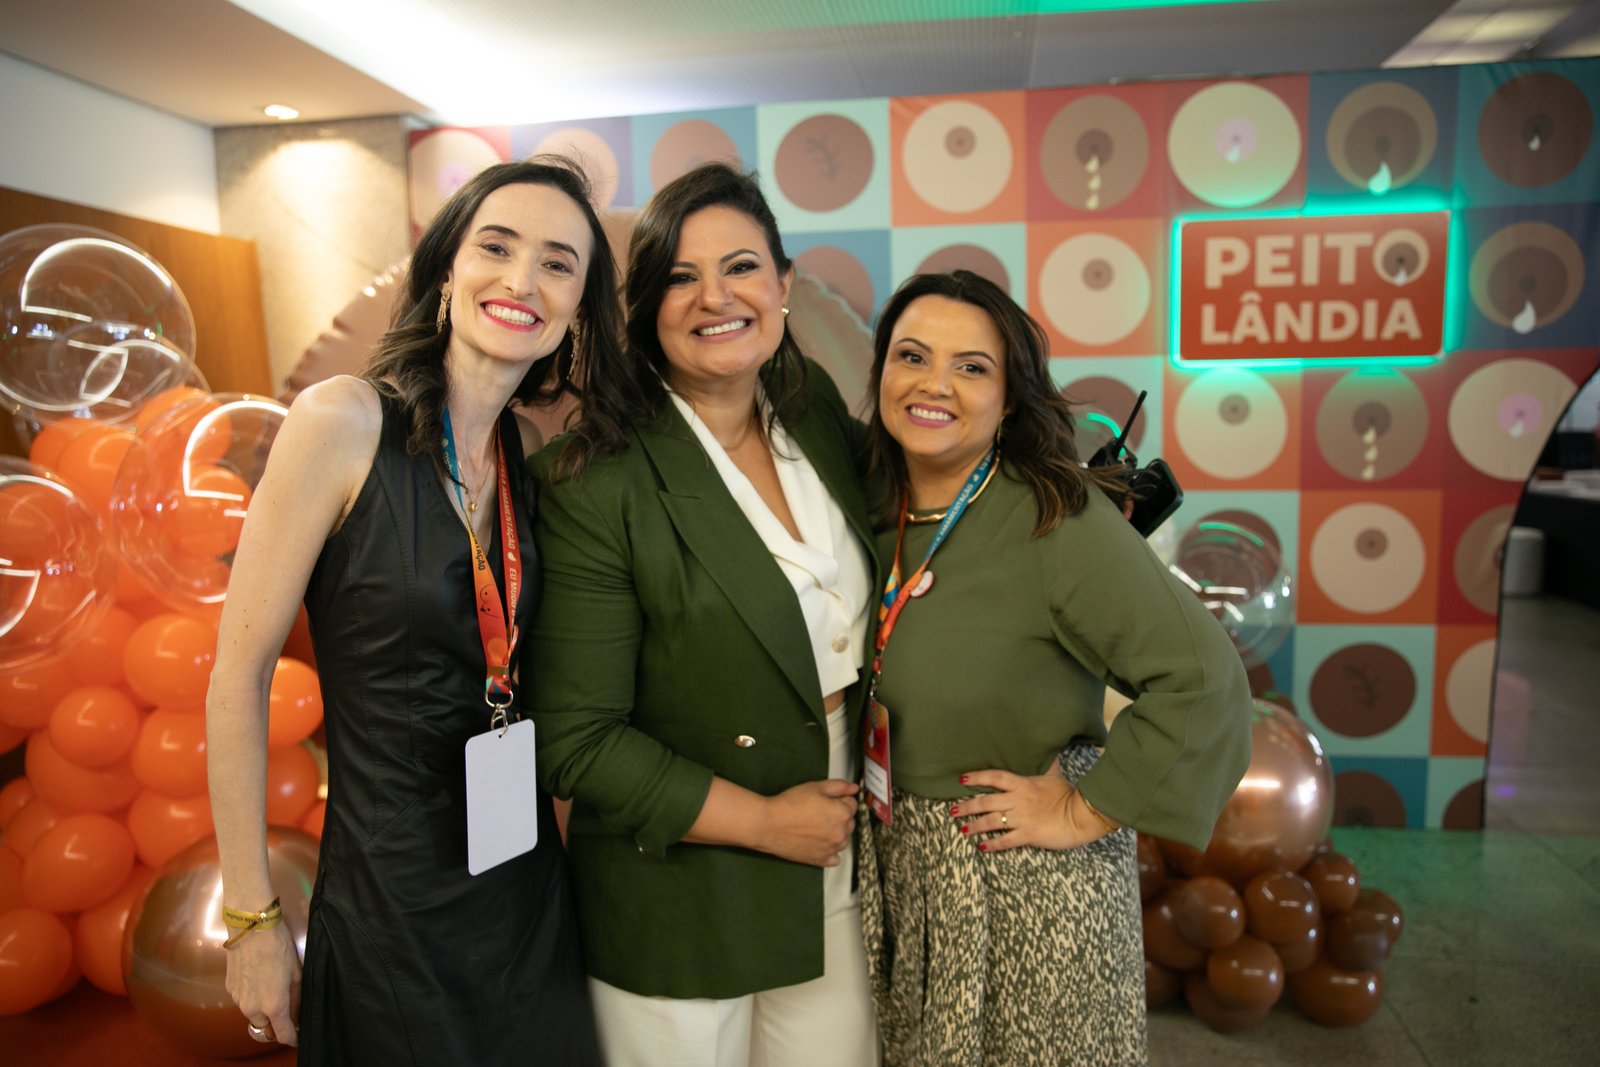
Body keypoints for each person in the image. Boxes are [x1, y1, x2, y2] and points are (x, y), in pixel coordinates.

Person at [206, 158, 620, 1065]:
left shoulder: (522, 451)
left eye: (557, 263)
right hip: (390, 905)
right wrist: (251, 918)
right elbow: (238, 675)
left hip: (523, 889)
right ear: (445, 269)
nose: (522, 279)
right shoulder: (341, 421)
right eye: (497, 247)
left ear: (578, 310)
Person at [526, 162, 881, 1066]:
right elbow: (578, 741)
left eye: (741, 267)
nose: (715, 297)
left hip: (839, 847)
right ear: (645, 307)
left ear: (784, 284)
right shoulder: (591, 480)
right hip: (679, 882)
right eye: (681, 276)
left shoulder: (812, 410)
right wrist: (766, 822)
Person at [856, 270, 1252, 1067]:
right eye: (912, 355)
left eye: (972, 366)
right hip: (903, 871)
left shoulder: (1055, 516)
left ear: (1010, 398)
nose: (934, 384)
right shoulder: (870, 504)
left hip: (1024, 884)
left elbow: (1204, 680)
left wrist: (1084, 809)